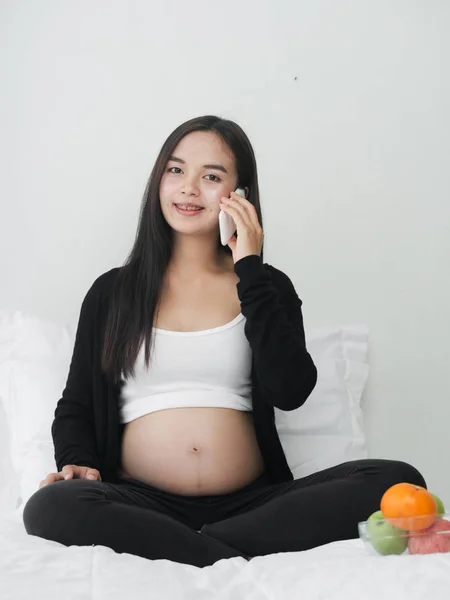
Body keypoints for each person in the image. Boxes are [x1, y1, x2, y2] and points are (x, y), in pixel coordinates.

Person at [23, 115, 426, 567]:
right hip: (139, 502)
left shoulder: (266, 286)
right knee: (49, 507)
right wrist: (77, 460)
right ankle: (221, 550)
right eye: (175, 170)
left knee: (397, 481)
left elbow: (291, 390)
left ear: (241, 195)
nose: (189, 187)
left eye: (211, 176)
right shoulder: (112, 293)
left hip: (254, 504)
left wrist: (249, 265)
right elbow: (76, 403)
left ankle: (190, 546)